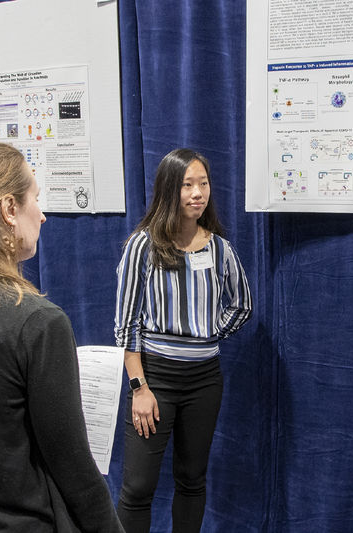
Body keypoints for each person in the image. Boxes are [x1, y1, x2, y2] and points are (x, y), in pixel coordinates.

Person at [0, 141, 123, 532]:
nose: (44, 215)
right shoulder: (37, 323)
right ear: (9, 210)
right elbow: (75, 473)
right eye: (36, 197)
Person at [114, 148, 252, 532]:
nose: (197, 193)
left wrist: (208, 332)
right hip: (154, 378)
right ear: (168, 190)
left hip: (204, 380)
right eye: (187, 185)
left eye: (203, 184)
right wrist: (139, 386)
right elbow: (126, 326)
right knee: (138, 486)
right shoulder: (143, 245)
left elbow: (242, 306)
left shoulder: (220, 248)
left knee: (192, 480)